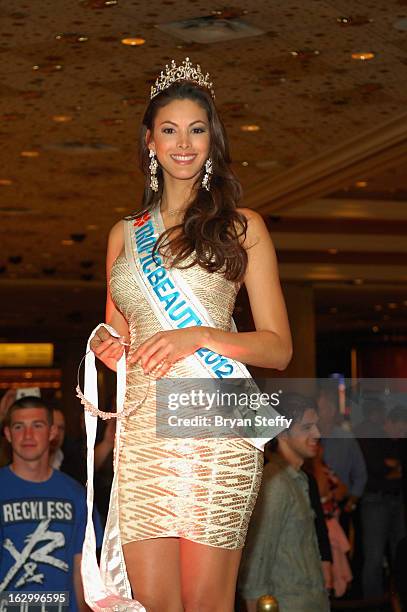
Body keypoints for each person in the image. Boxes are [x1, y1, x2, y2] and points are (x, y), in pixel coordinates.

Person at [89, 57, 292, 612]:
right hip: (143, 434)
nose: (184, 143)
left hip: (212, 423)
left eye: (197, 130)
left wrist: (200, 335)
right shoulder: (123, 235)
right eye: (170, 130)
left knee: (205, 603)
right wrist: (110, 350)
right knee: (154, 604)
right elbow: (120, 337)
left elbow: (277, 346)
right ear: (150, 141)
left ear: (212, 141)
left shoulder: (241, 227)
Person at [0, 396, 102, 612]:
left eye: (37, 425)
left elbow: (82, 571)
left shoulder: (76, 495)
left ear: (53, 432)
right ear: (8, 434)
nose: (28, 435)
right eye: (19, 427)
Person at [238, 393, 330, 612]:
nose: (317, 434)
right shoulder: (275, 483)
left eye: (316, 426)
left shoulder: (300, 479)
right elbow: (256, 566)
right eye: (307, 427)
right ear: (282, 433)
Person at [357, 405, 407, 599]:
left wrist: (393, 468)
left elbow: (398, 470)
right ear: (389, 423)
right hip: (374, 500)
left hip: (396, 499)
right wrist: (392, 468)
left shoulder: (399, 443)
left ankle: (398, 599)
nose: (402, 434)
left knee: (400, 554)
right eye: (400, 429)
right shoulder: (372, 438)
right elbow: (376, 468)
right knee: (374, 557)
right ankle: (373, 602)